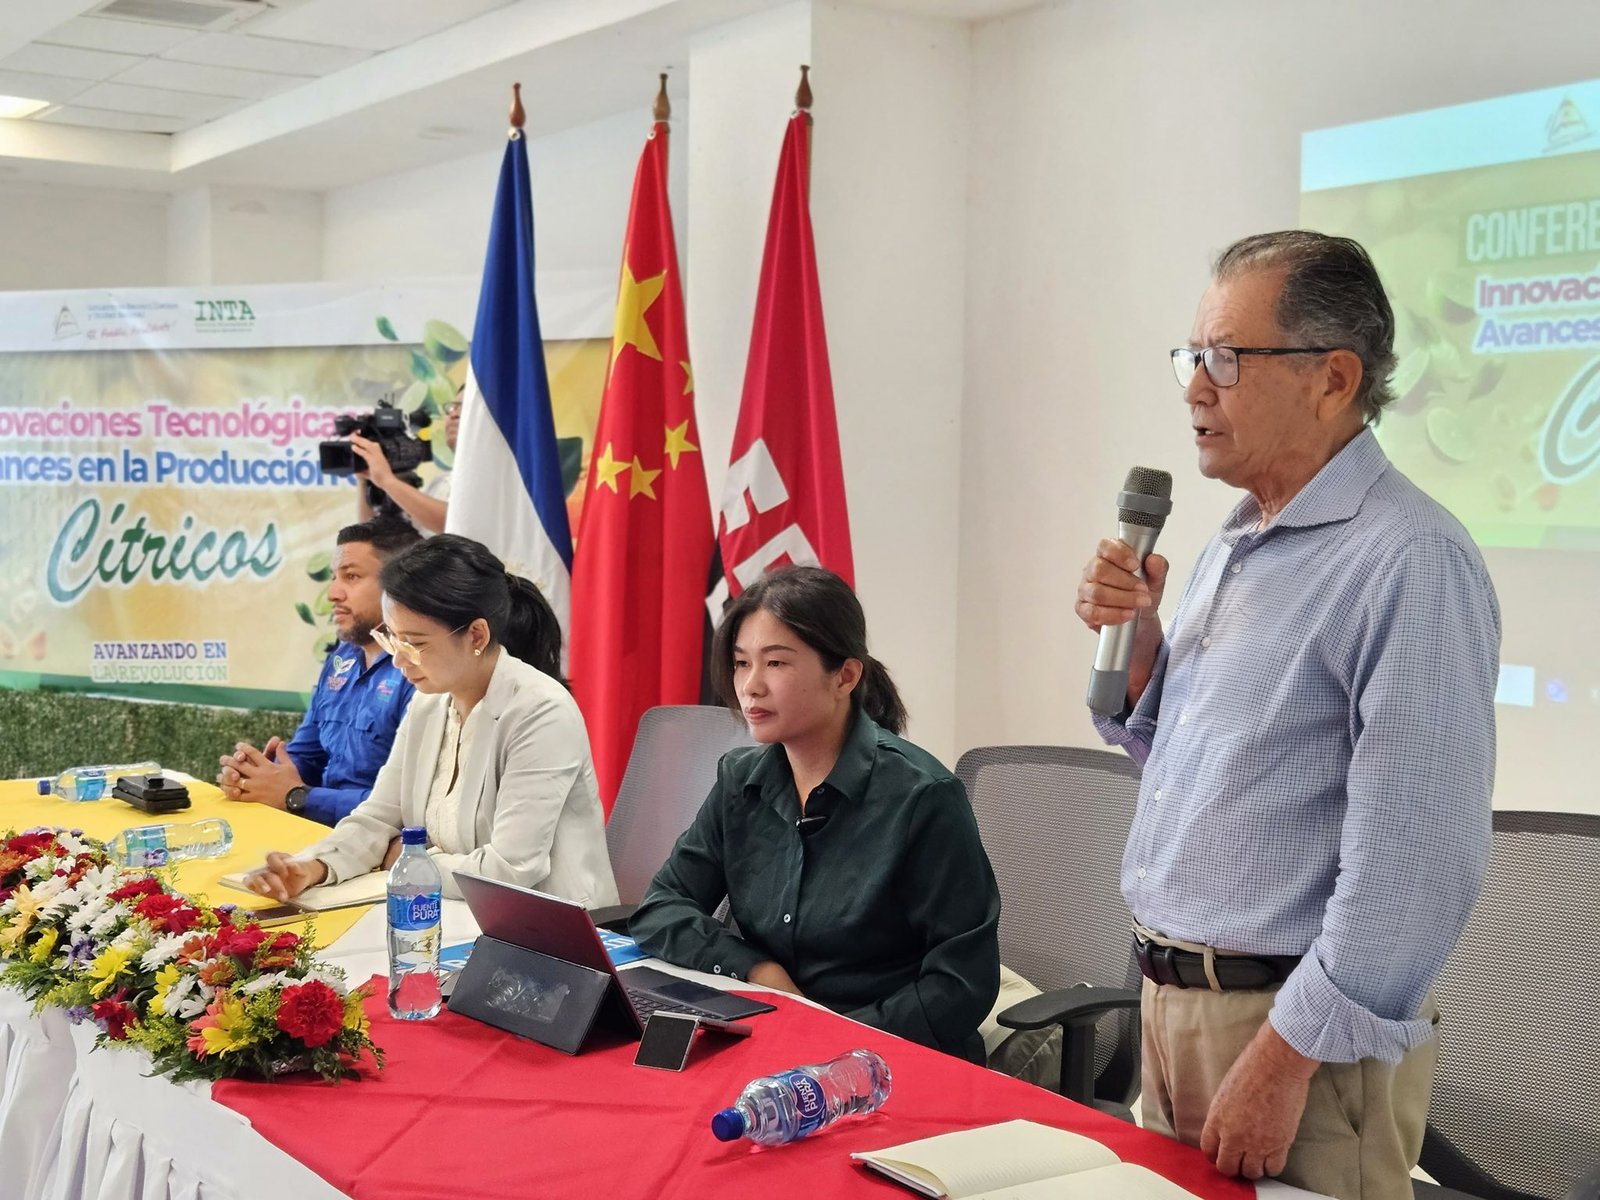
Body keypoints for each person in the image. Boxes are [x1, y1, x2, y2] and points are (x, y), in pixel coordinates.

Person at [1075, 231, 1498, 1199]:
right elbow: (1199, 766)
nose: (1195, 388)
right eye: (1192, 357)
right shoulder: (1239, 536)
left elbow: (1417, 865)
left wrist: (1282, 1057)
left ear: (1332, 378)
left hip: (1290, 1037)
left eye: (1227, 358)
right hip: (1171, 1009)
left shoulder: (1410, 561)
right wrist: (1140, 654)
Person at [630, 565, 1001, 1062]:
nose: (750, 686)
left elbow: (961, 984)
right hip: (769, 1036)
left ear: (845, 676)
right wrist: (756, 969)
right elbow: (661, 907)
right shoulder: (741, 780)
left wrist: (830, 1039)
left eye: (775, 663)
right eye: (741, 663)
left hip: (887, 1057)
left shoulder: (922, 797)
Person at [245, 534, 618, 907]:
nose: (398, 660)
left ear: (476, 635)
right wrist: (313, 866)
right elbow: (378, 817)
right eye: (393, 639)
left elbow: (509, 871)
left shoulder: (542, 712)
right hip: (452, 910)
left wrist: (405, 860)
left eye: (414, 643)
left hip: (549, 925)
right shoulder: (429, 703)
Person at [218, 519, 421, 826]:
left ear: (399, 584)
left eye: (351, 576)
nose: (333, 594)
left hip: (378, 842)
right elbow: (308, 755)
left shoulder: (421, 669)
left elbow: (410, 805)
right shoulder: (342, 658)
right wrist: (260, 775)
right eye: (333, 577)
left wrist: (298, 796)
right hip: (320, 831)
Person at [353, 387, 460, 535]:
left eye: (462, 407)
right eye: (452, 407)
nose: (454, 414)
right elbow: (372, 536)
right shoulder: (439, 485)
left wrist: (387, 481)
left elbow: (455, 523)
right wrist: (365, 479)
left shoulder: (490, 478)